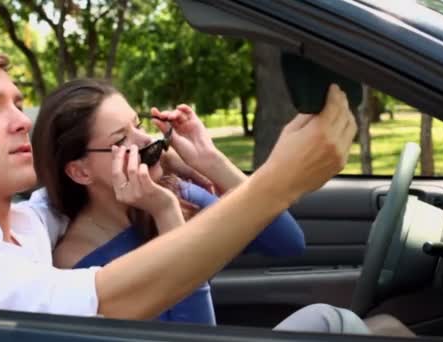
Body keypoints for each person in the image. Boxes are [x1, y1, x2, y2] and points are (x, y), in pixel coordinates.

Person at [0, 41, 366, 334]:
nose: (20, 121)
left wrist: (198, 160)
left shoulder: (34, 218)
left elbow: (91, 185)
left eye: (18, 103)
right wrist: (278, 180)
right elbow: (103, 301)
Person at [31, 79, 305, 324]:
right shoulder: (78, 265)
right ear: (81, 171)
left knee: (331, 320)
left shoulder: (173, 190)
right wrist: (167, 215)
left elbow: (288, 243)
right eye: (122, 138)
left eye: (138, 126)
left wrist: (210, 160)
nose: (146, 139)